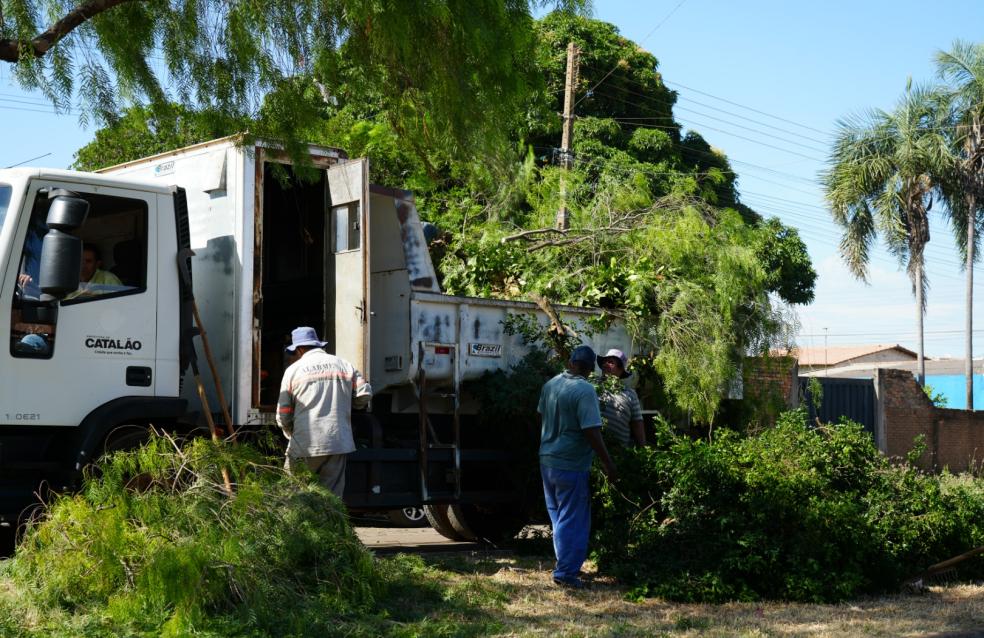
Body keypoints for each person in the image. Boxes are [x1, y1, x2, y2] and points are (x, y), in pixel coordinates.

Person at [538, 344, 617, 590]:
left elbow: (542, 417)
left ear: (570, 362)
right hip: (571, 463)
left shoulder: (551, 384)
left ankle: (564, 567)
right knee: (573, 520)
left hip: (548, 460)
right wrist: (608, 463)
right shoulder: (584, 390)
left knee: (559, 519)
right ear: (590, 369)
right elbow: (591, 430)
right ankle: (566, 573)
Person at [276, 326, 372, 498]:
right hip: (337, 441)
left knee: (293, 495)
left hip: (304, 443)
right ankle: (330, 525)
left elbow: (283, 412)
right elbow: (364, 394)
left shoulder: (293, 371)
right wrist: (350, 406)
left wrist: (291, 432)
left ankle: (300, 525)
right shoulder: (344, 365)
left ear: (300, 349)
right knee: (331, 498)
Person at [597, 348, 646, 448]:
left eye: (610, 362)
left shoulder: (630, 394)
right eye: (604, 362)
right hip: (594, 450)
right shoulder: (593, 387)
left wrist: (643, 449)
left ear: (620, 370)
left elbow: (637, 424)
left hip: (620, 452)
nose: (605, 364)